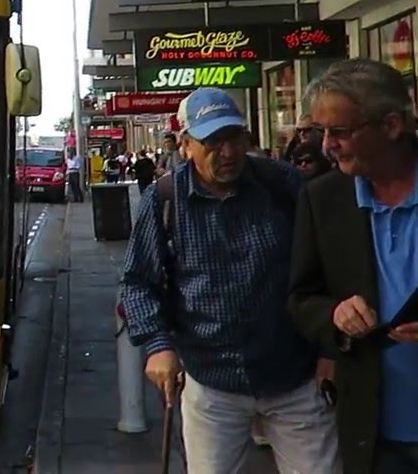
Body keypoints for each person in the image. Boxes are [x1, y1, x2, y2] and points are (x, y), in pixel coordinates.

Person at [119, 88, 340, 474]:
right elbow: (138, 281)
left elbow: (330, 266)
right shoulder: (165, 198)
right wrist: (157, 345)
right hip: (211, 383)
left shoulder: (283, 184)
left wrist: (330, 352)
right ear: (186, 145)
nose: (227, 153)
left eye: (234, 139)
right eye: (213, 142)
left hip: (295, 376)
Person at [289, 58, 418, 474]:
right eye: (321, 131)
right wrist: (335, 315)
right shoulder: (323, 199)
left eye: (340, 132)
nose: (327, 145)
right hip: (376, 433)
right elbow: (301, 299)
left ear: (392, 125)